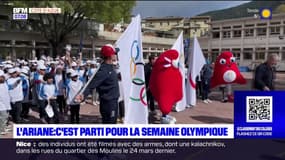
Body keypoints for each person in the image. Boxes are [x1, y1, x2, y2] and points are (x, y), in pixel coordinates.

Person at [76, 44, 120, 124]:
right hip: (108, 103)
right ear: (110, 56)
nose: (116, 55)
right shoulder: (103, 71)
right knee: (110, 125)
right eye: (115, 53)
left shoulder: (109, 67)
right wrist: (83, 95)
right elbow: (91, 84)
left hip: (113, 101)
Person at [0, 70, 11, 135]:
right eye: (1, 77)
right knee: (2, 117)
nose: (3, 78)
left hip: (6, 104)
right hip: (1, 105)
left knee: (5, 116)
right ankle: (1, 130)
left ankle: (4, 127)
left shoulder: (4, 83)